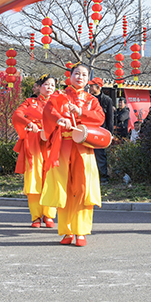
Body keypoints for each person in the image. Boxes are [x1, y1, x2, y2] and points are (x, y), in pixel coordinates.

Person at [41, 64, 108, 247]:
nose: (80, 77)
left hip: (83, 147)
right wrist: (59, 119)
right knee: (64, 188)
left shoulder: (91, 100)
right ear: (70, 76)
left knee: (83, 187)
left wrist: (80, 112)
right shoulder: (59, 95)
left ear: (88, 79)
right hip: (63, 146)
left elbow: (100, 118)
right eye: (77, 73)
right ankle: (67, 230)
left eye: (84, 74)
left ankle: (81, 231)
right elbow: (49, 111)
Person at [12, 76, 58, 228]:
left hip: (52, 143)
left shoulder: (58, 103)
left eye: (52, 85)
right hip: (34, 142)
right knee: (34, 178)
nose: (49, 87)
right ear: (39, 86)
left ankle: (49, 215)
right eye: (46, 84)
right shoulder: (30, 102)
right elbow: (17, 115)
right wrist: (29, 123)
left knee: (51, 177)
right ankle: (36, 216)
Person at [88, 78, 114, 183]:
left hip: (100, 132)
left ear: (98, 87)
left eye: (91, 86)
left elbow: (110, 119)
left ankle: (103, 177)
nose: (89, 88)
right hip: (88, 130)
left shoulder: (107, 100)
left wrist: (110, 134)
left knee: (100, 154)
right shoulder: (87, 99)